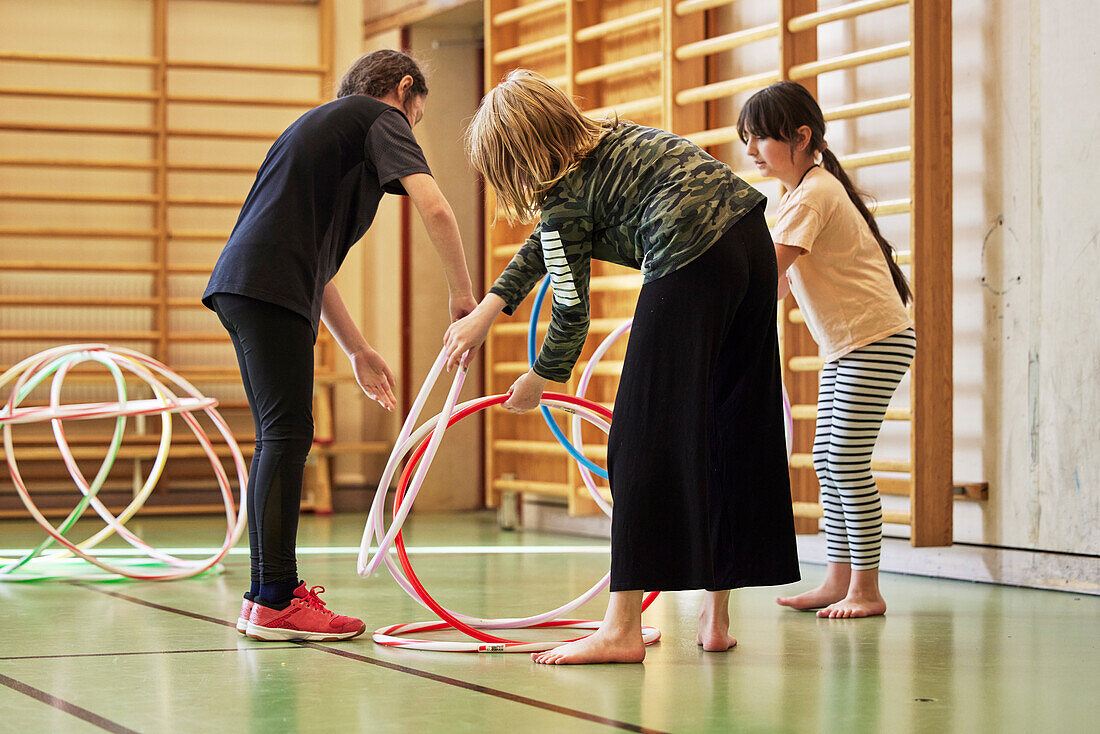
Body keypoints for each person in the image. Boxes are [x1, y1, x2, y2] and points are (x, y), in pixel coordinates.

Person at [443, 70, 799, 665]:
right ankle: (715, 620)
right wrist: (490, 308)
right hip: (749, 240)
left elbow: (570, 308)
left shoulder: (560, 198)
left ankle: (621, 628)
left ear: (514, 159)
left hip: (690, 253)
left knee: (639, 438)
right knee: (727, 423)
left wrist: (541, 377)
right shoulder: (608, 140)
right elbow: (549, 240)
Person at [203, 50, 477, 641]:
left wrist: (355, 348)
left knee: (282, 436)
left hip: (253, 285)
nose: (411, 131)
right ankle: (276, 598)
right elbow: (436, 207)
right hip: (266, 288)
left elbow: (317, 264)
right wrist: (464, 296)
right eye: (417, 116)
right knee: (286, 436)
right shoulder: (376, 119)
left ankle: (265, 597)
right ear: (403, 89)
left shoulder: (319, 132)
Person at [737, 81, 916, 619]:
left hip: (874, 338)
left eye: (759, 139)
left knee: (844, 459)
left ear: (800, 137)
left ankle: (867, 589)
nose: (750, 153)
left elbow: (767, 276)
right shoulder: (798, 195)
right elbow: (779, 283)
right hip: (848, 343)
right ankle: (840, 580)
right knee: (826, 460)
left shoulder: (814, 193)